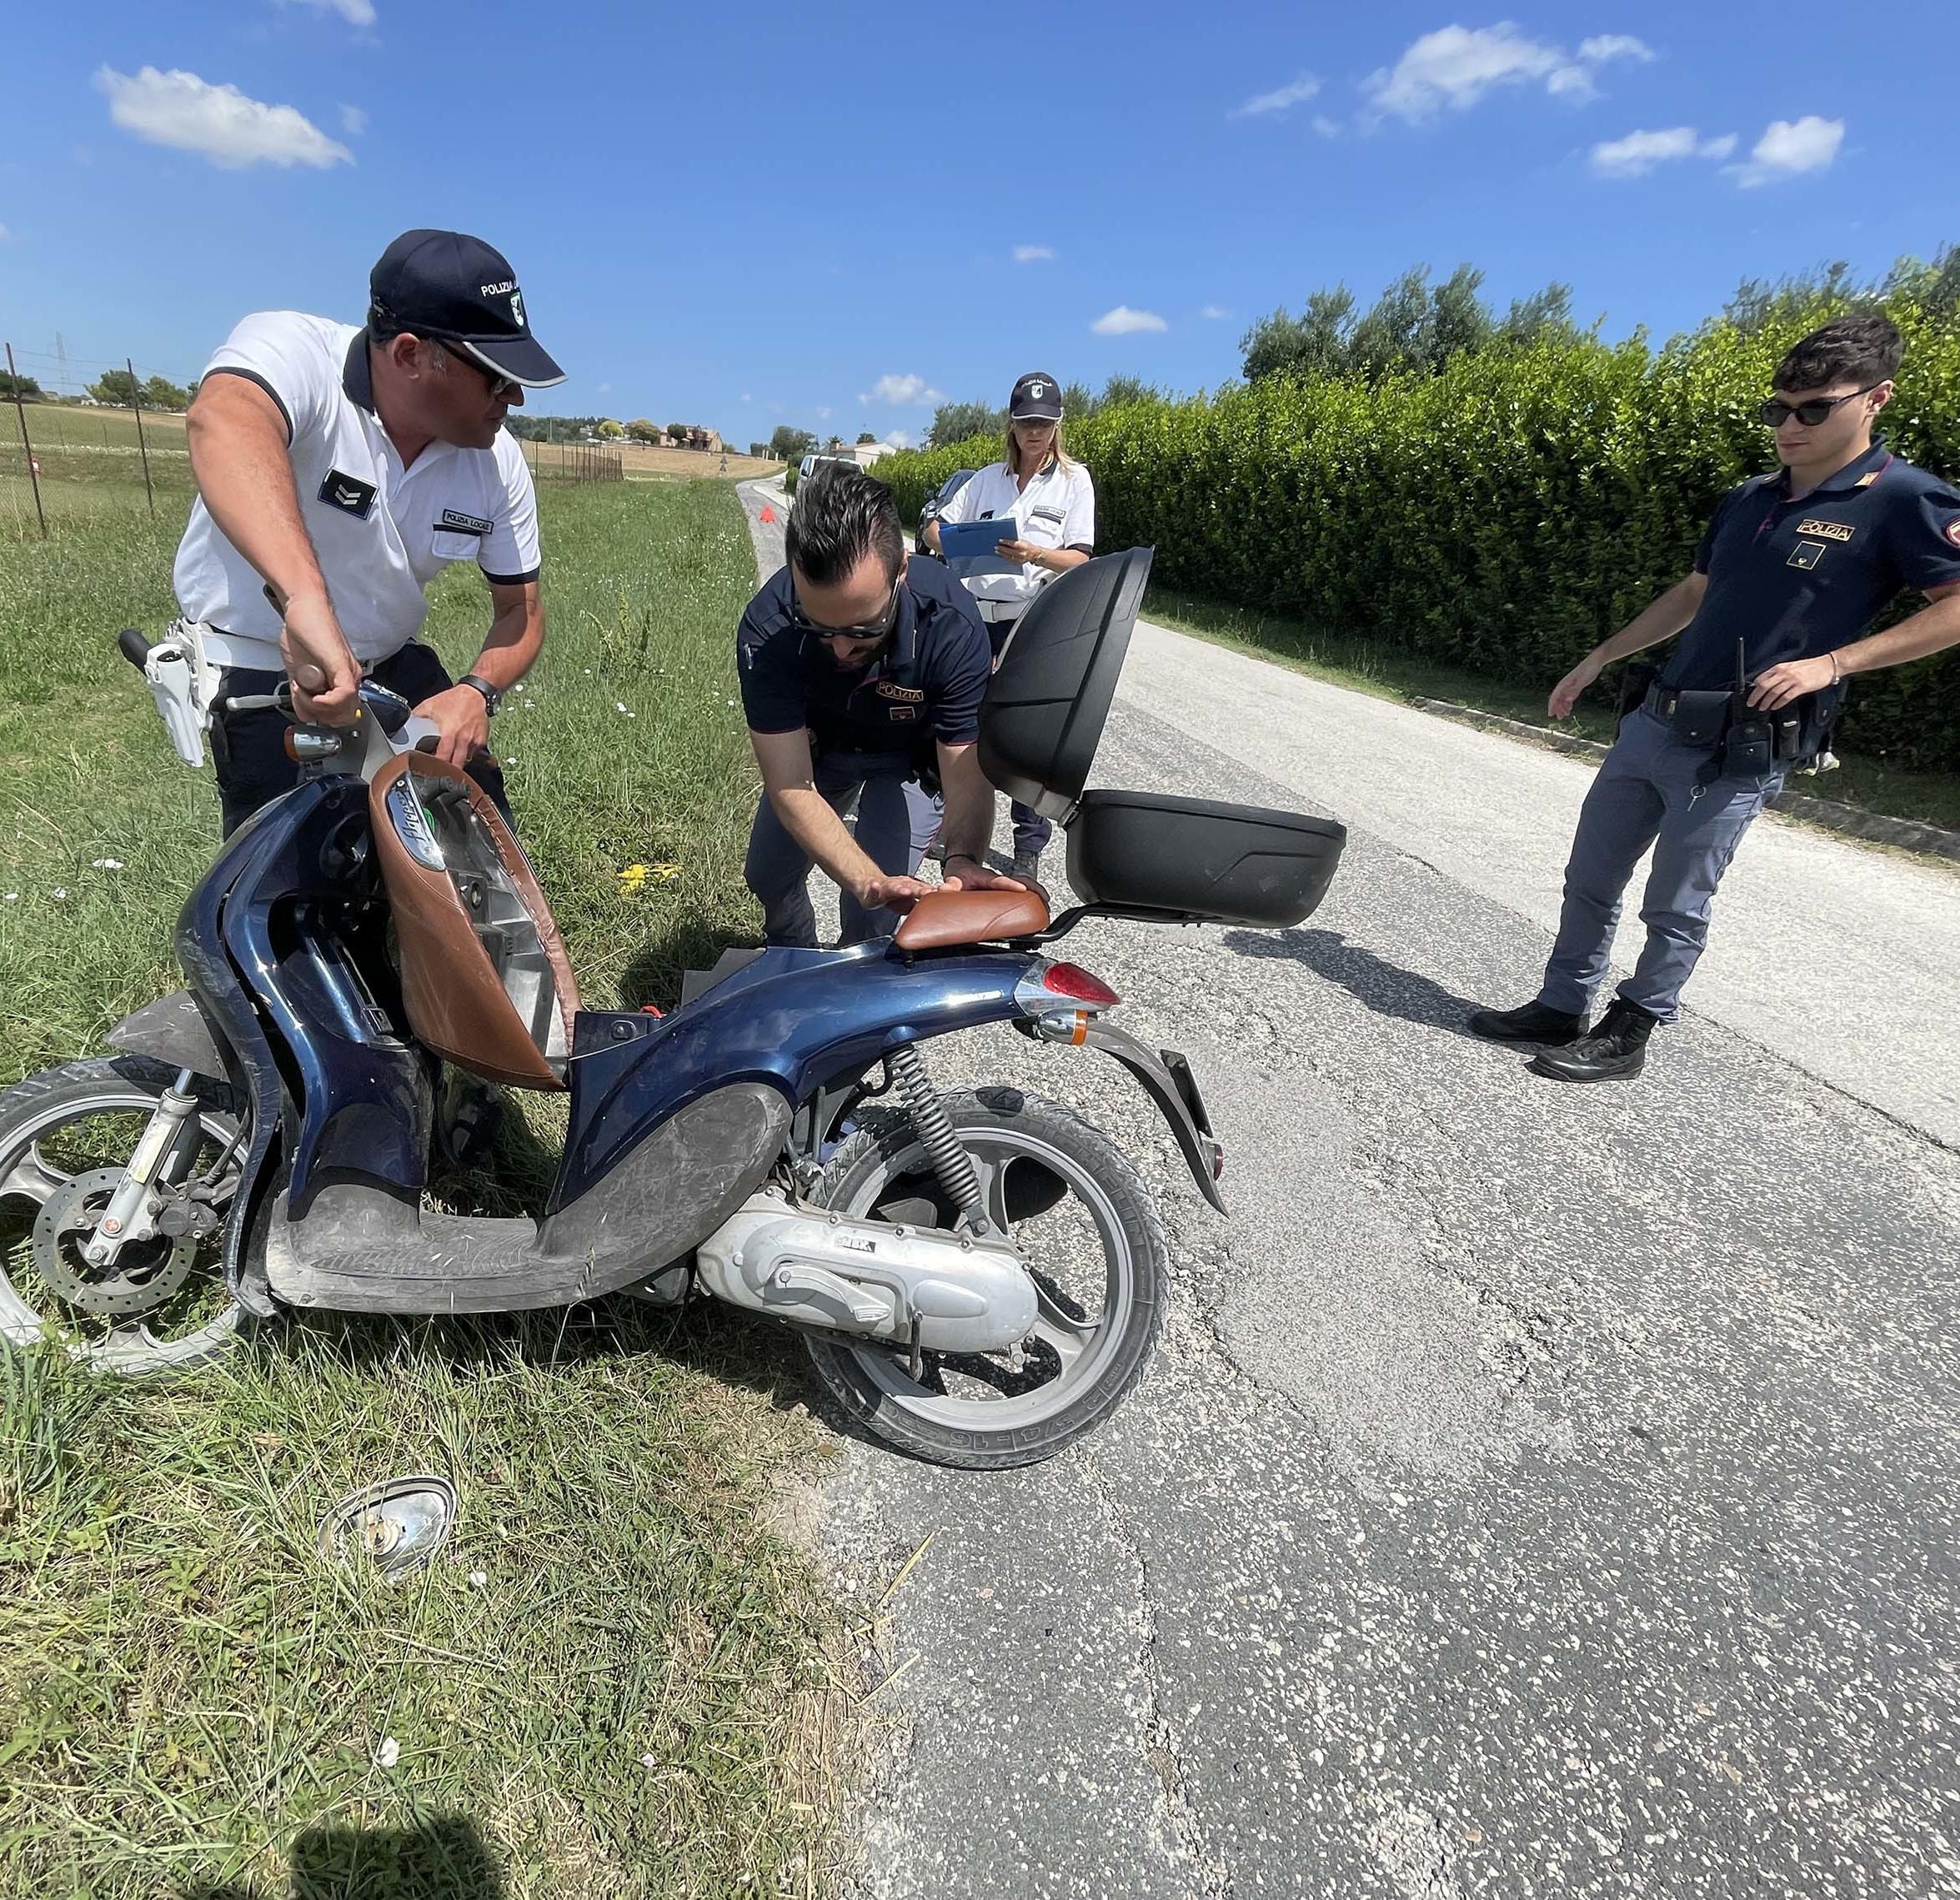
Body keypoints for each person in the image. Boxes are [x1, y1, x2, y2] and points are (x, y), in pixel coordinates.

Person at [1470, 313, 1960, 1083]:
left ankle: (1628, 1032)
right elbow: (1695, 592)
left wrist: (1832, 663)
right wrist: (1600, 656)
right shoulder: (1748, 497)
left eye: (1813, 408)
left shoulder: (1904, 498)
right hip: (1656, 719)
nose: (1788, 426)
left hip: (1741, 745)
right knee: (1589, 879)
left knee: (1674, 902)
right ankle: (1560, 1005)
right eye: (1778, 409)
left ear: (1876, 399)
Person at [174, 228, 564, 835]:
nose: (514, 395)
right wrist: (304, 603)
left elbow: (522, 612)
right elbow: (223, 420)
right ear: (409, 354)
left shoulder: (496, 461)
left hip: (390, 665)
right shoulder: (295, 352)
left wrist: (474, 693)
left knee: (482, 847)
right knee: (294, 889)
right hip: (262, 673)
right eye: (493, 375)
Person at [738, 464, 1030, 946]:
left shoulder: (952, 626)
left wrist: (961, 859)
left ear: (901, 572)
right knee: (767, 876)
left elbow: (964, 772)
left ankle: (854, 986)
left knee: (873, 913)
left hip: (910, 763)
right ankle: (796, 958)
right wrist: (864, 876)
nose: (840, 650)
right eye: (819, 628)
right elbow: (790, 783)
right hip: (820, 755)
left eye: (863, 630)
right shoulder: (768, 630)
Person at [922, 372, 1095, 880]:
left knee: (1024, 735)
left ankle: (1028, 849)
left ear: (1057, 425)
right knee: (961, 724)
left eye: (1044, 423)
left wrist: (1035, 552)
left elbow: (1082, 559)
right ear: (1013, 426)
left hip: (1031, 621)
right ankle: (949, 829)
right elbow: (936, 526)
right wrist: (947, 539)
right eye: (1026, 423)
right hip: (976, 617)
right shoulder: (985, 480)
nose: (1035, 433)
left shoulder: (1073, 481)